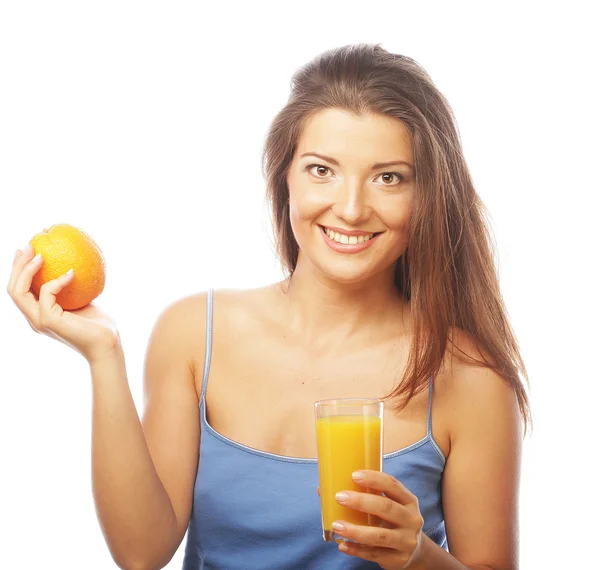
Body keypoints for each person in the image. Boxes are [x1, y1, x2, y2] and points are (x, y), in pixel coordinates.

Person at [7, 43, 531, 570]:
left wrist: (416, 555)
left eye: (388, 177)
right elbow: (141, 553)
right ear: (284, 176)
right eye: (322, 170)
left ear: (427, 195)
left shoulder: (470, 376)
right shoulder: (194, 335)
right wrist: (104, 355)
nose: (350, 210)